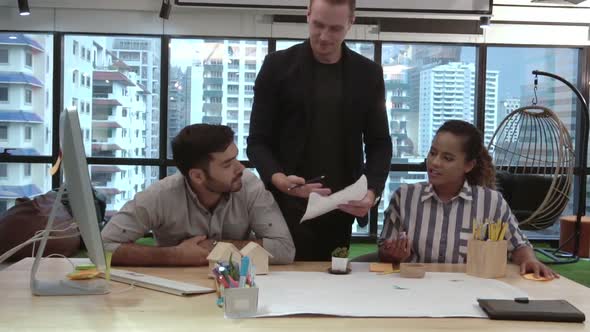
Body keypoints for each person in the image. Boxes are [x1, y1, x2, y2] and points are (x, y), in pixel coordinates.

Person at [247, 0, 392, 261]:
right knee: (283, 288)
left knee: (334, 288)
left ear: (351, 23)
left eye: (335, 29)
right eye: (318, 25)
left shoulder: (368, 74)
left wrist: (371, 192)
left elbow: (379, 143)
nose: (324, 37)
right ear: (307, 16)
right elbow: (257, 141)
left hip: (341, 206)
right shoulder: (276, 67)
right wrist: (280, 180)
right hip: (283, 204)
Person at [379, 120, 558, 279]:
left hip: (471, 290)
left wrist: (529, 260)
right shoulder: (405, 197)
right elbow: (383, 252)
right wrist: (392, 253)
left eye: (447, 158)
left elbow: (519, 245)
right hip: (412, 288)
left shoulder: (491, 203)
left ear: (468, 165)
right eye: (433, 153)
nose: (435, 162)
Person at [101, 124, 295, 266]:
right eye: (227, 164)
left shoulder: (249, 185)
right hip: (174, 294)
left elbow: (285, 250)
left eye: (236, 158)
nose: (241, 168)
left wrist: (217, 246)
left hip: (237, 287)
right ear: (197, 176)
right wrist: (175, 255)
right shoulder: (160, 195)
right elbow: (102, 247)